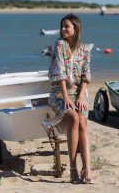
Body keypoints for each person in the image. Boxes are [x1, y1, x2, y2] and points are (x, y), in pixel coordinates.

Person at [42, 13, 93, 184]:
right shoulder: (59, 45)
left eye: (67, 26)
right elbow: (60, 74)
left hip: (79, 93)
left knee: (83, 122)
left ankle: (87, 168)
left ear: (76, 28)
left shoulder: (85, 49)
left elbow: (86, 75)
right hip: (59, 92)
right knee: (73, 116)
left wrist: (79, 97)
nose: (63, 29)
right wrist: (66, 97)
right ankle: (72, 168)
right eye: (62, 26)